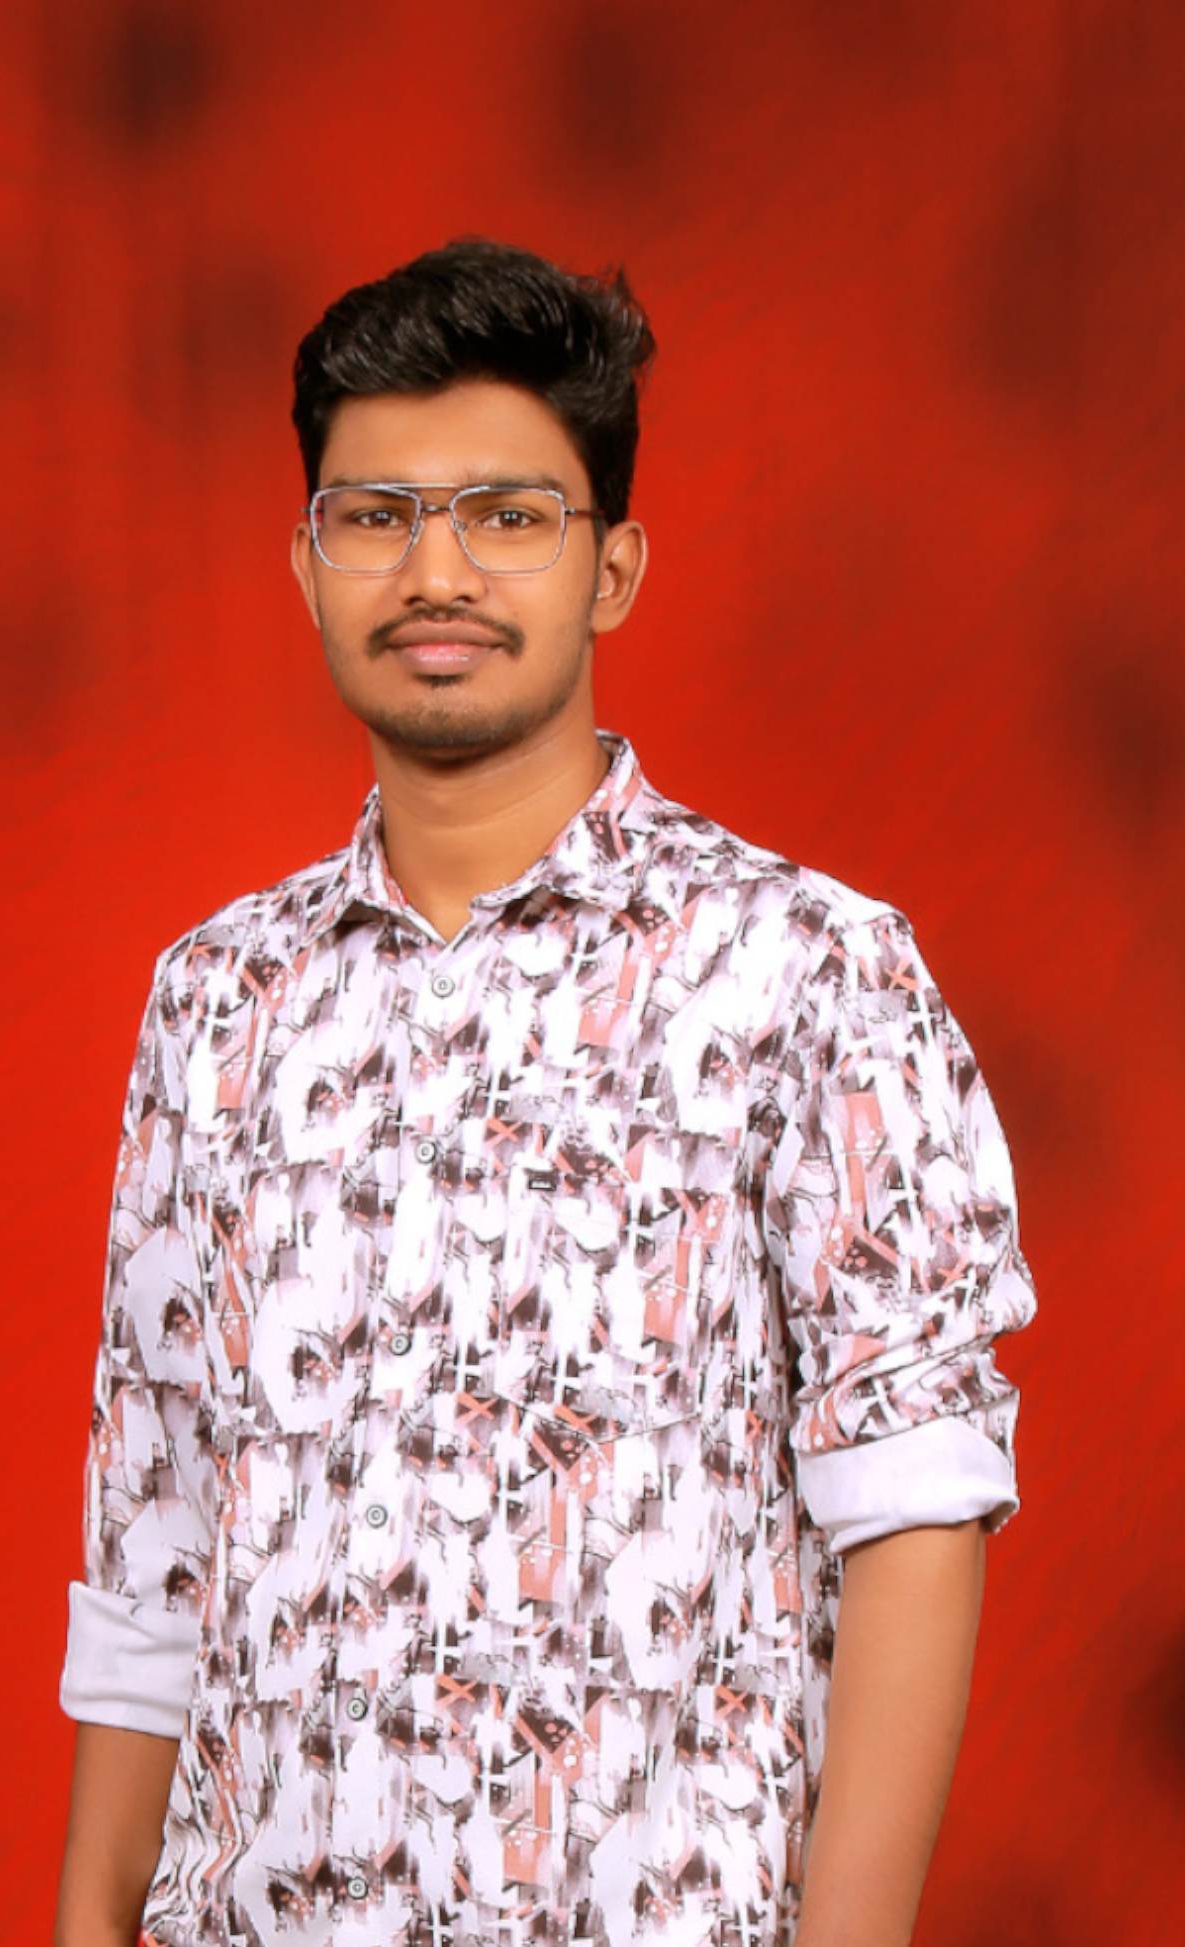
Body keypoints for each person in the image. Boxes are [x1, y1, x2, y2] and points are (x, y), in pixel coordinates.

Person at [56, 239, 1036, 1947]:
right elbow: (159, 1530)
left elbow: (914, 1509)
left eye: (507, 515)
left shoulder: (803, 968)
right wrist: (87, 1917)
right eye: (375, 516)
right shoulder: (216, 998)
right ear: (306, 563)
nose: (434, 571)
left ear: (613, 569)